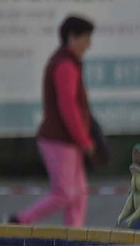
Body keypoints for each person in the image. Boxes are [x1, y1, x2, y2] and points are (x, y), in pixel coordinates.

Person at [12, 15, 97, 227]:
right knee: (65, 193)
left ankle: (73, 238)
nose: (89, 44)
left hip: (66, 140)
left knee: (79, 195)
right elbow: (68, 108)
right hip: (59, 140)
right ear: (72, 37)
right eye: (86, 38)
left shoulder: (66, 62)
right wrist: (84, 141)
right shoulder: (65, 65)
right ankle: (20, 220)